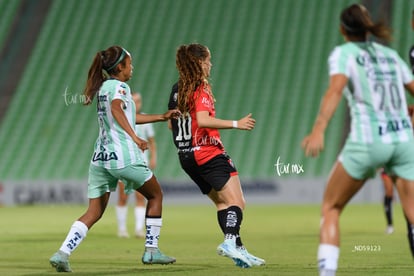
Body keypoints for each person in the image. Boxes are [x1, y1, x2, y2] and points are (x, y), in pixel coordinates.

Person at [301, 4, 414, 276]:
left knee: (331, 207)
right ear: (367, 29)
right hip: (404, 140)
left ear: (343, 30)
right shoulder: (390, 56)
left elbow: (335, 90)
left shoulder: (344, 54)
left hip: (369, 141)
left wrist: (319, 128)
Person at [49, 45, 177, 272]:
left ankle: (62, 253)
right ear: (120, 67)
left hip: (100, 157)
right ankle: (151, 250)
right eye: (130, 63)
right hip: (123, 155)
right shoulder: (120, 87)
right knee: (155, 195)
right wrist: (135, 137)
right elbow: (118, 110)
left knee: (94, 211)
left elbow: (128, 114)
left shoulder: (104, 88)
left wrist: (161, 116)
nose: (132, 67)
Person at [169, 43, 265, 268]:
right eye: (208, 60)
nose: (210, 65)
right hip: (208, 152)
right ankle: (230, 242)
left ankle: (239, 250)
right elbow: (202, 120)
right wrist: (236, 123)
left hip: (186, 155)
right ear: (200, 62)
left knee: (222, 204)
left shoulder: (177, 89)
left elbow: (172, 122)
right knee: (237, 202)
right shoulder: (200, 88)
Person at [116, 93, 156, 238]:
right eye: (135, 101)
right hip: (125, 161)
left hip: (141, 161)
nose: (137, 103)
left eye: (139, 101)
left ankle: (139, 228)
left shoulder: (145, 118)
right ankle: (121, 229)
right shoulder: (122, 117)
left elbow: (152, 141)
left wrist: (153, 157)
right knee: (123, 196)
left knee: (141, 196)